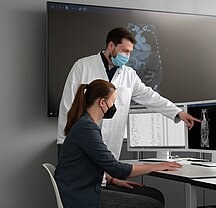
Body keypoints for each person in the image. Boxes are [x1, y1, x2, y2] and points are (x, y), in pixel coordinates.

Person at [57, 27, 200, 159]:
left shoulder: (129, 74)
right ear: (111, 46)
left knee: (106, 178)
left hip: (111, 144)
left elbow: (150, 97)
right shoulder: (83, 66)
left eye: (130, 52)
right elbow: (68, 106)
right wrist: (64, 142)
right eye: (125, 51)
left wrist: (178, 112)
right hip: (82, 142)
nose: (128, 56)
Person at [55, 79, 182, 208]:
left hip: (82, 190)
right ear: (102, 103)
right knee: (152, 204)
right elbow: (117, 169)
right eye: (113, 101)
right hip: (82, 197)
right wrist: (156, 166)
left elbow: (89, 164)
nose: (114, 106)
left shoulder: (86, 124)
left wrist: (112, 180)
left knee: (155, 195)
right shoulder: (86, 128)